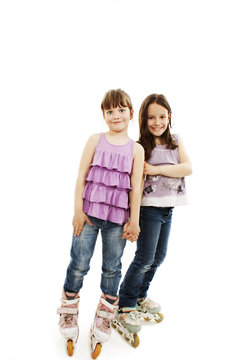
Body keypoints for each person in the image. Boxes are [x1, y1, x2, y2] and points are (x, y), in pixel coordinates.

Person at [56, 89, 144, 358]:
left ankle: (105, 315)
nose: (116, 115)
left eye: (121, 110)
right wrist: (78, 211)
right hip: (90, 215)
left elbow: (135, 189)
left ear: (130, 113)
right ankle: (69, 309)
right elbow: (82, 175)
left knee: (112, 269)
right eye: (110, 111)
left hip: (118, 221)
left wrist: (135, 221)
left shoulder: (136, 149)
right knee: (79, 263)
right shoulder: (95, 139)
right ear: (104, 115)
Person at [113, 93, 192, 342]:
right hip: (149, 208)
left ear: (170, 116)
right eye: (151, 117)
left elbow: (187, 168)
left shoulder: (176, 142)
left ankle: (139, 295)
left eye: (162, 116)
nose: (157, 122)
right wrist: (131, 218)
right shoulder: (141, 147)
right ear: (143, 120)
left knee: (159, 257)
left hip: (168, 208)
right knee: (145, 257)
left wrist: (157, 169)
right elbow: (134, 183)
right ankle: (125, 303)